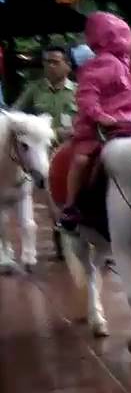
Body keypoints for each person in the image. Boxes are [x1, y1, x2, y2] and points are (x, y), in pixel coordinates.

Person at [58, 12, 131, 232]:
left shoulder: (128, 66)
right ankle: (70, 205)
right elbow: (87, 96)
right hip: (96, 130)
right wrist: (99, 116)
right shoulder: (96, 65)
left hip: (128, 127)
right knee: (81, 160)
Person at [13, 45, 77, 260]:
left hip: (71, 151)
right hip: (44, 153)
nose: (50, 66)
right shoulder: (34, 89)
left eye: (55, 62)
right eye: (47, 62)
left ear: (68, 65)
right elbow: (15, 113)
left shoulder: (77, 91)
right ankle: (61, 235)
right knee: (52, 196)